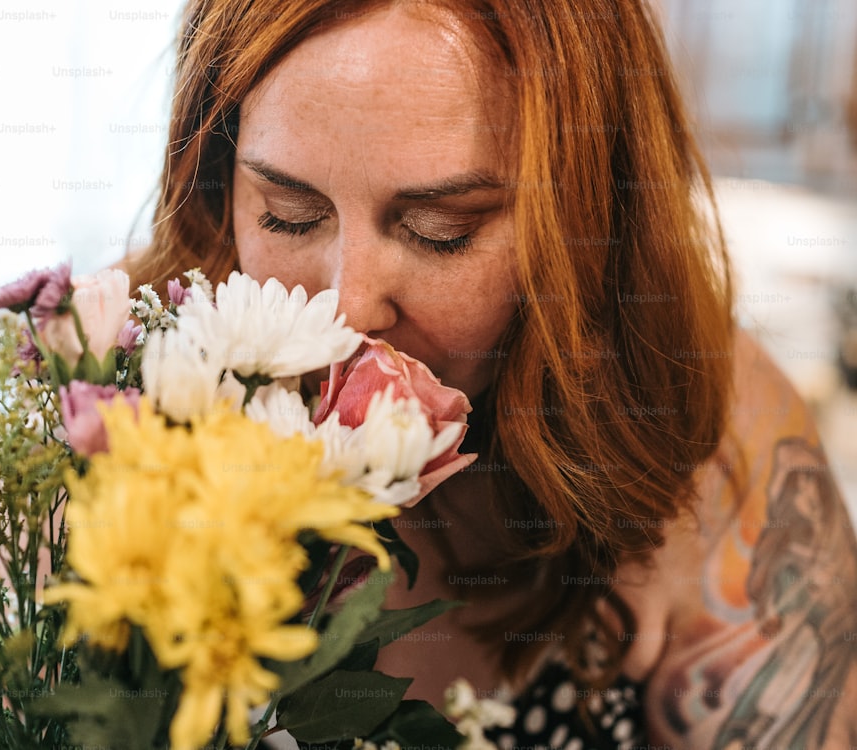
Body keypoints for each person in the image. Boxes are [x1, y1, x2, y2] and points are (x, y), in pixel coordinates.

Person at [127, 0, 857, 746]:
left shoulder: (706, 425)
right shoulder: (110, 390)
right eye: (287, 212)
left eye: (442, 232)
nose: (347, 311)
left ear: (588, 219)